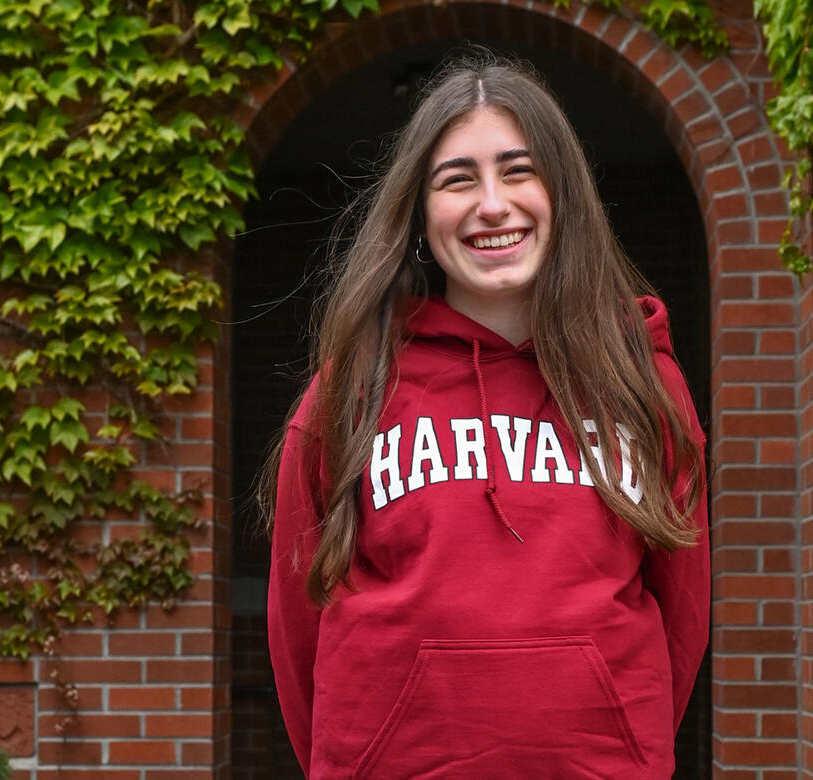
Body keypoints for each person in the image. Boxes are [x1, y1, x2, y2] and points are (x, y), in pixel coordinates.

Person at [265, 54, 709, 779]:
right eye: (458, 180)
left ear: (562, 194)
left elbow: (682, 613)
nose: (492, 204)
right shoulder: (350, 388)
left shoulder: (640, 381)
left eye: (519, 170)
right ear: (419, 211)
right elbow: (296, 625)